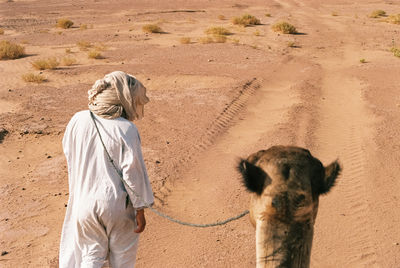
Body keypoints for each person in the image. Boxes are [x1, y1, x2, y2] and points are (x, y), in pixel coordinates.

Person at [59, 71, 154, 268]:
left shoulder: (78, 119)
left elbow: (69, 152)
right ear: (124, 97)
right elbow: (132, 173)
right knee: (122, 260)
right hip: (117, 206)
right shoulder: (126, 129)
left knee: (90, 258)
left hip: (84, 204)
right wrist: (140, 209)